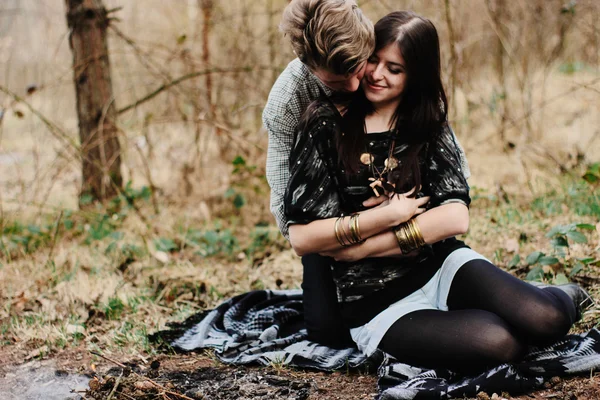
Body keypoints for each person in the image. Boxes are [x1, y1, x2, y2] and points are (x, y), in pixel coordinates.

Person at [283, 10, 593, 373]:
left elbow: (454, 216)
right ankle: (478, 318)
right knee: (498, 343)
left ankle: (558, 295)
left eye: (394, 69)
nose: (377, 74)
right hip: (374, 298)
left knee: (548, 319)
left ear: (415, 75)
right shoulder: (324, 121)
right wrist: (386, 215)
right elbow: (304, 236)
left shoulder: (425, 121)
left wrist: (362, 247)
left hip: (440, 264)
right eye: (373, 61)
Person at [263, 0, 470, 348]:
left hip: (402, 228)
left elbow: (453, 189)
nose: (358, 85)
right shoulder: (289, 102)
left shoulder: (387, 71)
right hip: (328, 229)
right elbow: (291, 217)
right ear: (312, 67)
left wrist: (403, 219)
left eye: (362, 66)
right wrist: (365, 223)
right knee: (330, 336)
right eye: (339, 81)